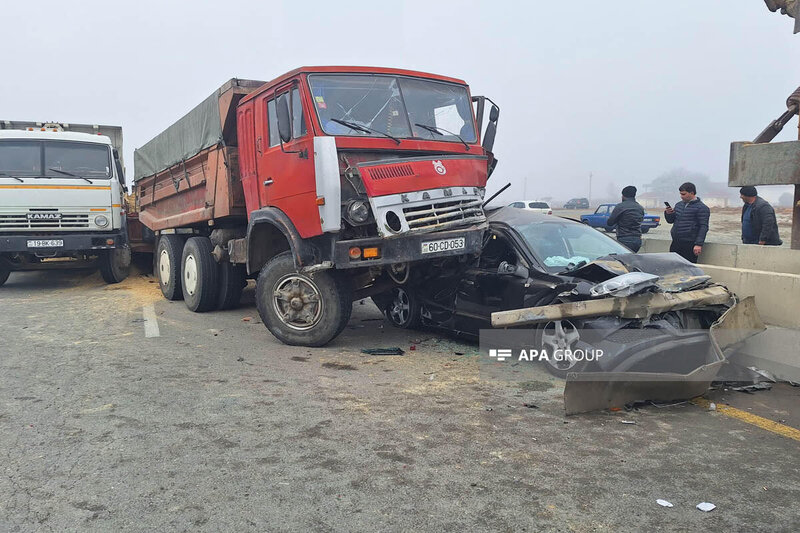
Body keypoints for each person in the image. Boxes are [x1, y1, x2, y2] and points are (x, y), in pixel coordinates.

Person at [664, 182, 710, 263]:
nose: (681, 196)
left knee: (688, 267)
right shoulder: (679, 205)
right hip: (676, 241)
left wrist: (698, 244)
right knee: (673, 266)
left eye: (684, 194)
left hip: (690, 243)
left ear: (692, 193)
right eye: (681, 194)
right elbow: (670, 221)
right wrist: (668, 213)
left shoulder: (702, 208)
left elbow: (703, 227)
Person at [606, 185, 645, 252]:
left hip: (624, 239)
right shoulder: (640, 208)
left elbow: (610, 223)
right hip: (637, 240)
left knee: (622, 260)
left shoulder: (620, 207)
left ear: (623, 196)